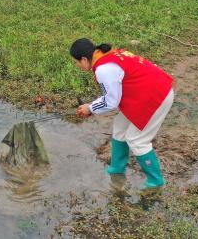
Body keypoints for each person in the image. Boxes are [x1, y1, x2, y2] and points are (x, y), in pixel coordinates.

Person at [71, 38, 174, 190]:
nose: (77, 65)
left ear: (84, 59)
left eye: (76, 62)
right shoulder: (108, 55)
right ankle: (117, 169)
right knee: (120, 127)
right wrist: (91, 107)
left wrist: (90, 108)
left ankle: (155, 182)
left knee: (137, 140)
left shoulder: (103, 69)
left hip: (156, 96)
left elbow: (111, 101)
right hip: (146, 93)